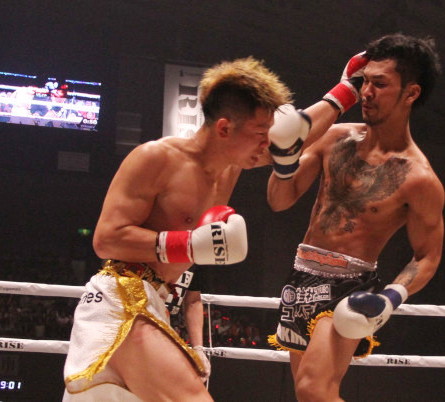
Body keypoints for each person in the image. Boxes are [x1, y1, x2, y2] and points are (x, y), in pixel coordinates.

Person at [62, 56, 293, 402]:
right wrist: (188, 245)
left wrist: (345, 91)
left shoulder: (231, 165)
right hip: (123, 298)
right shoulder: (156, 158)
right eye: (261, 134)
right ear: (224, 128)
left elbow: (302, 132)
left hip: (160, 301)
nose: (267, 144)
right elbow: (106, 239)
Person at [267, 33, 445, 401]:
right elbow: (279, 200)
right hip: (301, 275)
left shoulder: (419, 178)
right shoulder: (334, 138)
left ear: (411, 93)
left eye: (380, 83)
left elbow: (428, 255)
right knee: (309, 395)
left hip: (350, 287)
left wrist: (391, 297)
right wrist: (284, 160)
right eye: (363, 81)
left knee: (314, 390)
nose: (366, 92)